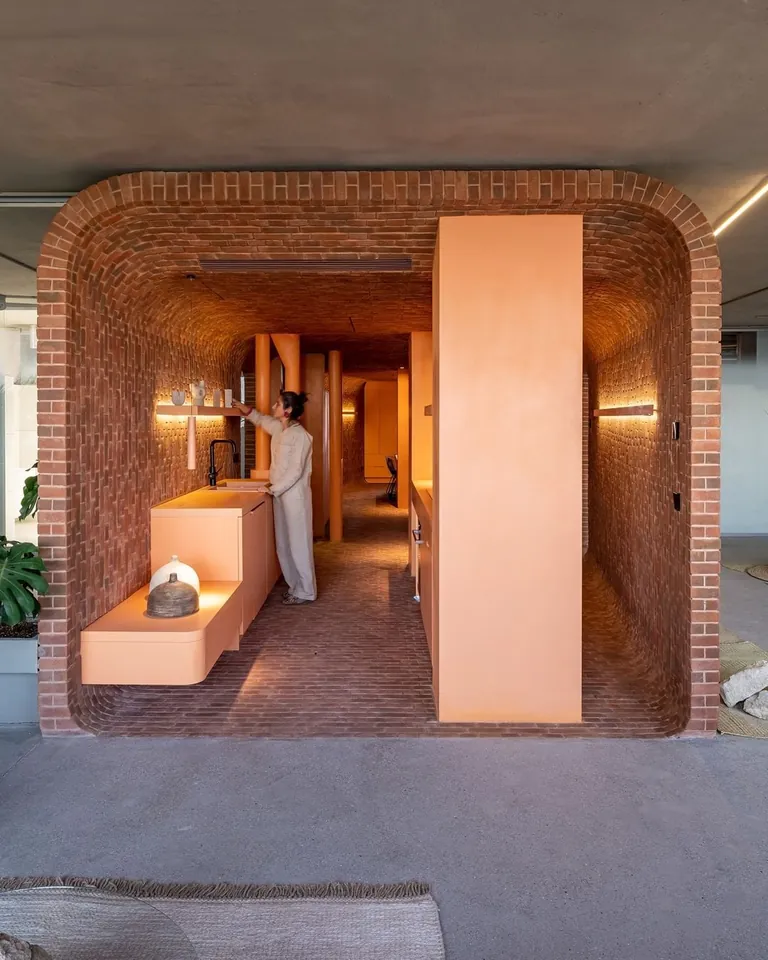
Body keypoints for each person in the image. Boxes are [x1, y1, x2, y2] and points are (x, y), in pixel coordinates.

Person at [233, 392, 317, 605]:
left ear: (287, 411)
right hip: (280, 495)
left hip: (295, 497)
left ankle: (307, 590)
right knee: (283, 544)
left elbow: (295, 471)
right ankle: (295, 587)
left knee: (299, 544)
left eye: (278, 404)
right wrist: (243, 408)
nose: (274, 405)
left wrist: (273, 488)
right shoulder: (280, 429)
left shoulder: (302, 437)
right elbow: (262, 420)